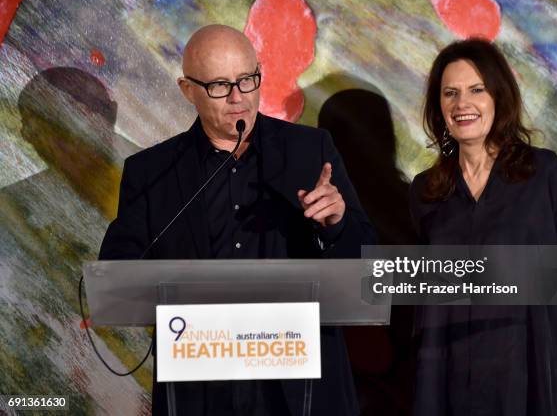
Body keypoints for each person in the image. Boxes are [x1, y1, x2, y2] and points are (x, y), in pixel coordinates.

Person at [99, 25, 376, 415]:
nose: (238, 98)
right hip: (200, 391)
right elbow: (117, 279)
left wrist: (338, 224)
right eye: (219, 85)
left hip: (301, 392)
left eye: (247, 80)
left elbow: (371, 270)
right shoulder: (152, 172)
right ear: (187, 89)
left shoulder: (311, 151)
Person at [408, 39, 557, 415]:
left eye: (476, 90)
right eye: (450, 93)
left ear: (498, 96)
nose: (461, 104)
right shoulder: (424, 191)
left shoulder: (542, 173)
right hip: (446, 381)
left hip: (526, 378)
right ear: (439, 106)